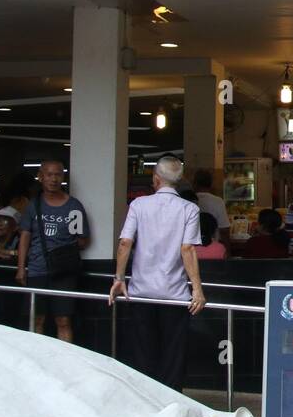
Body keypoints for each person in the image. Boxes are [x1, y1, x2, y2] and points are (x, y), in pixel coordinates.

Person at [109, 155, 205, 392]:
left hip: (142, 292)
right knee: (173, 355)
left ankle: (145, 400)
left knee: (143, 351)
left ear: (156, 178)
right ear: (179, 181)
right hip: (175, 294)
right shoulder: (189, 208)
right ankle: (171, 404)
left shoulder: (139, 205)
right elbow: (187, 249)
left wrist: (119, 279)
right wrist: (197, 288)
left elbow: (125, 243)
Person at [16, 159, 90, 343]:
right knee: (37, 318)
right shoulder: (34, 205)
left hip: (64, 271)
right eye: (49, 174)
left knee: (63, 320)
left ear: (63, 178)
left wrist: (62, 248)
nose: (53, 179)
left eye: (58, 174)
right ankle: (36, 362)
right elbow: (24, 236)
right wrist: (20, 268)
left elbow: (83, 240)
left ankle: (64, 366)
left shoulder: (73, 206)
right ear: (41, 177)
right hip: (37, 268)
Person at [193, 168, 231, 249]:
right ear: (211, 184)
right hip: (213, 248)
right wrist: (228, 250)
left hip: (193, 248)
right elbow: (224, 229)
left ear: (194, 183)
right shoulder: (218, 201)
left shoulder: (188, 200)